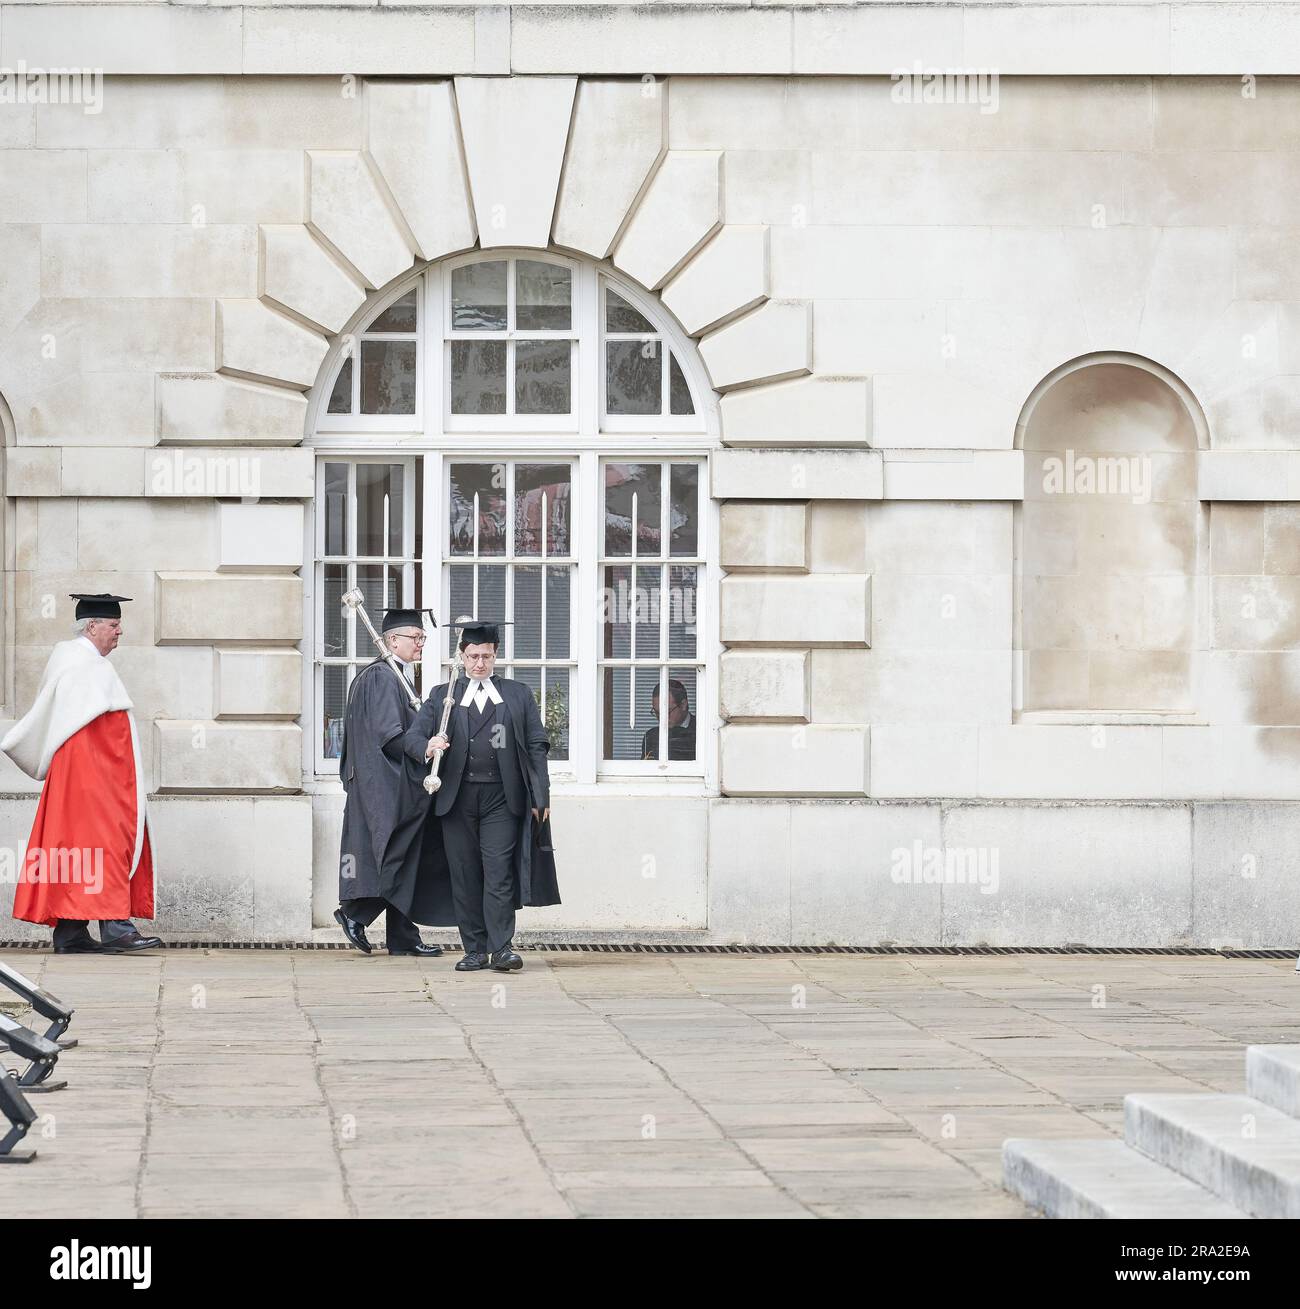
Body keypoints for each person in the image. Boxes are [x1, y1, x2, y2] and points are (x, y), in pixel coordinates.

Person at [2, 594, 161, 954]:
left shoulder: (71, 660)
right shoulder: (85, 665)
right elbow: (92, 734)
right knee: (104, 844)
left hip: (82, 778)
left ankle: (71, 933)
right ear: (92, 626)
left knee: (78, 848)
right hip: (93, 779)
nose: (119, 631)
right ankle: (117, 928)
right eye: (113, 625)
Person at [403, 621, 560, 973]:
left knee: (499, 872)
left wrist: (541, 795)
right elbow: (412, 739)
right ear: (462, 656)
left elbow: (537, 745)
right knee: (464, 874)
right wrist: (428, 746)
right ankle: (474, 949)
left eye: (486, 656)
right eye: (473, 656)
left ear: (495, 656)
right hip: (456, 800)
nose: (479, 664)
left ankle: (501, 948)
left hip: (502, 800)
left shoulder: (518, 694)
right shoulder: (443, 696)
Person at [334, 608, 455, 956]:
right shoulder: (382, 678)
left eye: (423, 638)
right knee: (395, 856)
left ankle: (402, 937)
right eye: (414, 638)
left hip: (384, 783)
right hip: (385, 786)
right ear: (391, 641)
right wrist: (425, 747)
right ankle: (355, 914)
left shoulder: (390, 676)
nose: (421, 644)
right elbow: (391, 737)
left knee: (403, 855)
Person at [641, 679, 696, 761]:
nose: (662, 718)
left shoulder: (702, 731)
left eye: (667, 711)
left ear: (683, 705)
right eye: (657, 713)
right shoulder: (650, 737)